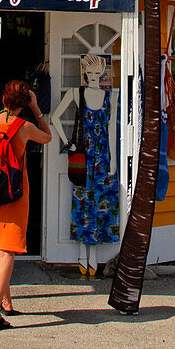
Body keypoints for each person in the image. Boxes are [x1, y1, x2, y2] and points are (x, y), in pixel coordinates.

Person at [0, 79, 52, 330]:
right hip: (15, 195)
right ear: (23, 104)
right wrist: (37, 109)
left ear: (3, 100)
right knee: (9, 250)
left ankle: (6, 302)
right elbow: (47, 136)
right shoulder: (24, 127)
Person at [50, 53, 119, 278]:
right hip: (84, 155)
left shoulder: (111, 96)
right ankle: (83, 253)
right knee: (82, 202)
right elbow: (55, 118)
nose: (93, 77)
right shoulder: (76, 93)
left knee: (101, 203)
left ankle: (95, 254)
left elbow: (111, 130)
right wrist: (67, 143)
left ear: (103, 74)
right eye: (88, 73)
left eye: (97, 73)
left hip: (102, 158)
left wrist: (114, 161)